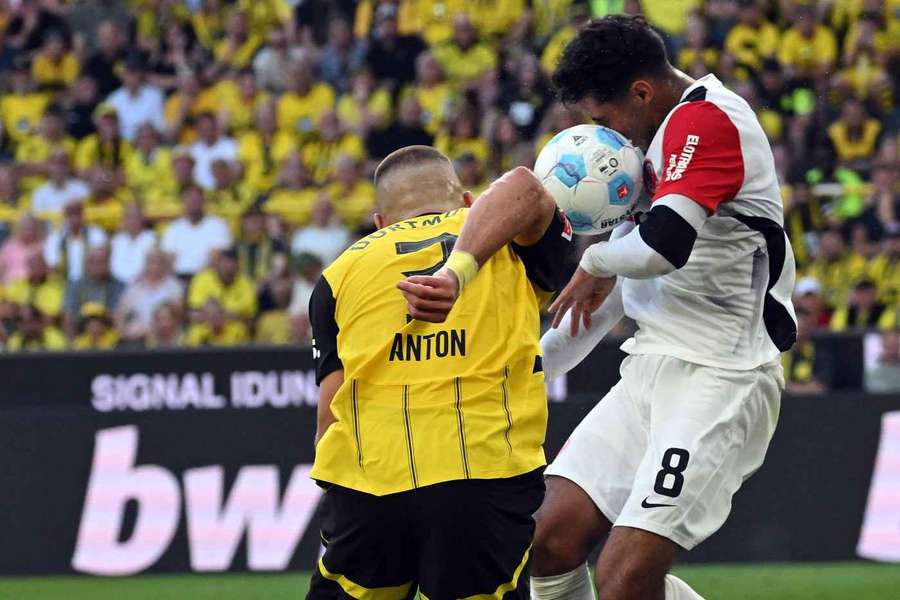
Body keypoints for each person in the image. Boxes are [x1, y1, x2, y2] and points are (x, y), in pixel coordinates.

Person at [519, 16, 797, 600]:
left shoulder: (708, 121)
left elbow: (665, 246)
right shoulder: (639, 153)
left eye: (603, 117)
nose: (604, 134)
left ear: (642, 93)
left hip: (722, 375)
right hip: (648, 367)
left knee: (626, 578)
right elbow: (610, 287)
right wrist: (530, 372)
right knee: (547, 540)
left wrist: (595, 262)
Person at [306, 146, 574, 599]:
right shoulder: (504, 239)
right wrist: (462, 269)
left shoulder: (337, 274)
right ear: (469, 202)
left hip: (368, 491)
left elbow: (329, 416)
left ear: (379, 222)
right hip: (481, 477)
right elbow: (527, 187)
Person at [160, 186, 232, 279]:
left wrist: (199, 281)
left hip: (207, 277)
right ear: (183, 202)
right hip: (178, 278)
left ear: (203, 201)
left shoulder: (217, 225)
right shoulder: (174, 228)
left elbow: (217, 259)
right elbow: (168, 260)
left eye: (196, 200)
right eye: (189, 199)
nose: (193, 203)